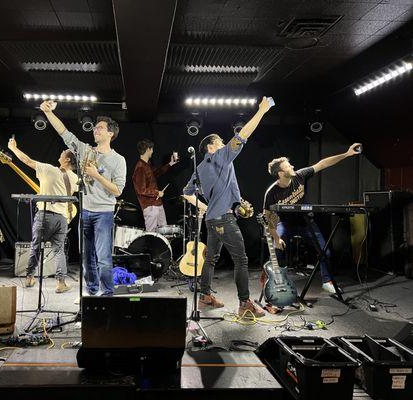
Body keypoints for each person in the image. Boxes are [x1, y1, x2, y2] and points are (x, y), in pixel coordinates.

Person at [183, 96, 272, 317]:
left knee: (211, 258)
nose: (224, 144)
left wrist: (206, 208)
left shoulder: (199, 168)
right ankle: (244, 303)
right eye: (220, 142)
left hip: (212, 220)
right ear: (211, 147)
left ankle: (205, 295)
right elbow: (242, 135)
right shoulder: (220, 157)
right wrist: (261, 110)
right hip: (223, 218)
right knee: (241, 259)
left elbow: (186, 193)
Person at [40, 100, 126, 296]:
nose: (95, 129)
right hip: (86, 211)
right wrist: (48, 113)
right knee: (87, 257)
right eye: (95, 127)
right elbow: (64, 133)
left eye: (100, 127)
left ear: (110, 134)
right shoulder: (85, 150)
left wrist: (97, 175)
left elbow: (118, 191)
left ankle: (107, 294)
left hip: (104, 213)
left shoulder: (118, 160)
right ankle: (92, 291)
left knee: (103, 258)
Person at [263, 143, 362, 293]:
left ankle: (327, 281)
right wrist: (276, 238)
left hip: (306, 223)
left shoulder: (300, 176)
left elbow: (322, 164)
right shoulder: (271, 193)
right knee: (277, 251)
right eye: (288, 166)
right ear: (280, 173)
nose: (292, 167)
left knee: (325, 252)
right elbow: (269, 218)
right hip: (285, 224)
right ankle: (277, 283)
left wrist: (347, 154)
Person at [7, 138, 78, 293]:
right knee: (59, 251)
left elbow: (26, 160)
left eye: (63, 153)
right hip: (62, 219)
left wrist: (13, 148)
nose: (60, 153)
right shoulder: (75, 178)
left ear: (67, 159)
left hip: (45, 216)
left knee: (36, 247)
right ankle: (61, 283)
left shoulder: (49, 169)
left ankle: (29, 277)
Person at [132, 139, 178, 231]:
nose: (152, 151)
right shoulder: (140, 167)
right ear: (148, 149)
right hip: (150, 206)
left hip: (157, 204)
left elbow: (157, 172)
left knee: (164, 232)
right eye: (152, 149)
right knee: (152, 233)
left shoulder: (147, 165)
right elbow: (141, 190)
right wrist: (157, 193)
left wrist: (170, 164)